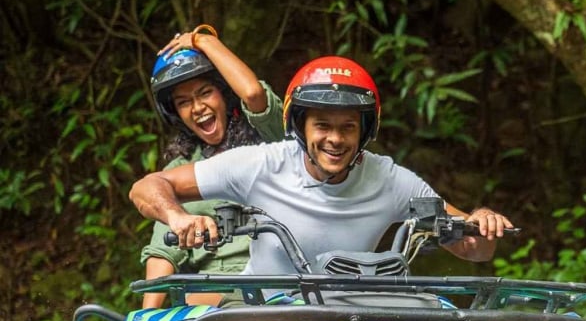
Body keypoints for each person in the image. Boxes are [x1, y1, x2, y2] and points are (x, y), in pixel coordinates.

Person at [129, 56, 512, 281]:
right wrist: (177, 218)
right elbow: (148, 186)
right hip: (265, 320)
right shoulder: (262, 164)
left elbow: (472, 247)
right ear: (299, 127)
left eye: (348, 127)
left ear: (366, 130)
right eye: (322, 126)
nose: (335, 139)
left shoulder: (390, 178)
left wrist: (482, 220)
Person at [141, 26, 286, 306]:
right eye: (184, 102)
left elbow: (254, 94)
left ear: (224, 94)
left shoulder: (270, 145)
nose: (197, 108)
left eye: (205, 93)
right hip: (212, 294)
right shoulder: (181, 168)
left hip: (278, 285)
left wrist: (202, 39)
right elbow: (162, 251)